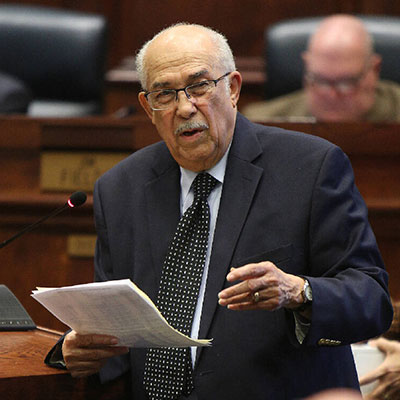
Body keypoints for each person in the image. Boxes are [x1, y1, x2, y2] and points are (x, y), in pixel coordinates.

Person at [46, 23, 393, 400]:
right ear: (148, 107)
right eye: (165, 94)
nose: (184, 108)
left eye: (199, 86)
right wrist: (73, 352)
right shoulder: (119, 189)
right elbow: (113, 331)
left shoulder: (310, 168)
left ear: (233, 88)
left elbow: (371, 301)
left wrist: (300, 291)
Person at [242, 14, 400, 122]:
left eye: (346, 83)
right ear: (307, 66)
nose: (331, 95)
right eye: (320, 81)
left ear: (374, 69)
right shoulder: (262, 122)